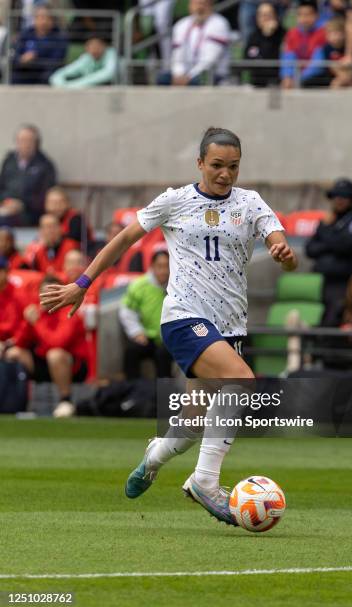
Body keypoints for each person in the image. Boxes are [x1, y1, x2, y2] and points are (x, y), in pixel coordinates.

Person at [40, 127, 297, 526]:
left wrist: (283, 254)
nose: (225, 174)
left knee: (195, 420)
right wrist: (82, 284)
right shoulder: (176, 201)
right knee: (242, 381)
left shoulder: (250, 203)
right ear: (199, 163)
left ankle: (153, 456)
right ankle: (206, 483)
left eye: (233, 166)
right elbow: (125, 239)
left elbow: (280, 242)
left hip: (229, 326)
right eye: (216, 165)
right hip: (184, 317)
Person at [5, 275, 88, 418]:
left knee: (55, 354)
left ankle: (65, 401)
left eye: (53, 292)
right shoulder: (38, 312)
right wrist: (27, 322)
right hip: (44, 361)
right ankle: (18, 399)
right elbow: (20, 342)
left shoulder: (69, 311)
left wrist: (37, 322)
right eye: (45, 292)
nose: (48, 296)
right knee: (14, 353)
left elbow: (57, 343)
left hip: (72, 366)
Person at [305, 178, 352, 325]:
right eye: (336, 196)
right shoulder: (328, 220)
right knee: (321, 319)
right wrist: (332, 241)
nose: (338, 200)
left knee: (333, 320)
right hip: (324, 281)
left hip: (344, 282)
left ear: (351, 200)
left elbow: (346, 247)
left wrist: (327, 233)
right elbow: (310, 249)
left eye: (343, 196)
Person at [119, 248, 173, 379]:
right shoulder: (139, 285)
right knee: (131, 352)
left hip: (170, 339)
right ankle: (134, 393)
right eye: (159, 266)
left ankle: (164, 396)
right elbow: (126, 311)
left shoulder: (177, 285)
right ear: (152, 267)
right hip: (147, 336)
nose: (163, 271)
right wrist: (137, 332)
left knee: (163, 355)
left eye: (167, 266)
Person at [157, 0, 231, 86]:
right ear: (190, 6)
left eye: (203, 4)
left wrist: (189, 77)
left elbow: (210, 60)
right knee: (163, 78)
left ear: (211, 6)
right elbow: (177, 54)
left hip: (210, 74)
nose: (199, 8)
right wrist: (178, 75)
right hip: (186, 74)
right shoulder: (181, 25)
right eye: (196, 4)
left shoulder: (219, 24)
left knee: (198, 80)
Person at [0, 124, 57, 226]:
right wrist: (5, 201)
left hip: (30, 212)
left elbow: (45, 196)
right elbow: (2, 186)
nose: (25, 144)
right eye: (21, 140)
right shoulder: (9, 161)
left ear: (37, 143)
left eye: (29, 141)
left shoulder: (45, 165)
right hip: (6, 206)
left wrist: (21, 204)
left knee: (5, 221)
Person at [302, 17, 352, 87]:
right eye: (331, 34)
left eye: (337, 33)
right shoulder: (326, 49)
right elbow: (332, 68)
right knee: (336, 84)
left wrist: (348, 75)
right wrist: (343, 76)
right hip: (337, 78)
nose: (334, 37)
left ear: (345, 34)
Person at [12, 4, 68, 84]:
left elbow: (57, 61)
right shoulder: (26, 33)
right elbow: (16, 55)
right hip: (25, 70)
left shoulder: (60, 37)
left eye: (47, 18)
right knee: (15, 76)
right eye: (41, 17)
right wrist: (22, 60)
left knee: (48, 76)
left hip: (45, 72)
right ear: (35, 19)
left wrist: (35, 59)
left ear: (52, 20)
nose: (44, 22)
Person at [280, 0, 326, 88]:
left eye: (308, 15)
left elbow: (317, 64)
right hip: (295, 78)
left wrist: (299, 78)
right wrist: (287, 76)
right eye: (300, 15)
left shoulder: (322, 34)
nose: (304, 19)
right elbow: (288, 58)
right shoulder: (291, 34)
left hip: (314, 80)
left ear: (317, 16)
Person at [49, 33, 118, 88]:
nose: (95, 49)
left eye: (97, 45)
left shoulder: (111, 54)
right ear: (86, 48)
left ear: (104, 46)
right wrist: (63, 85)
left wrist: (75, 85)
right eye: (91, 46)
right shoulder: (86, 58)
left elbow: (108, 74)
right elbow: (57, 76)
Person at [244, 2, 285, 87]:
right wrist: (266, 35)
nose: (265, 18)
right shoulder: (253, 36)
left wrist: (269, 36)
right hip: (256, 84)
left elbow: (275, 61)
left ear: (275, 16)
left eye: (268, 14)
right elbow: (247, 60)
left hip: (278, 84)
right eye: (262, 15)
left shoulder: (284, 35)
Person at [0, 255, 24, 358]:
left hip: (15, 344)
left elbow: (20, 325)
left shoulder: (18, 294)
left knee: (12, 355)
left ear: (6, 272)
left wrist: (11, 342)